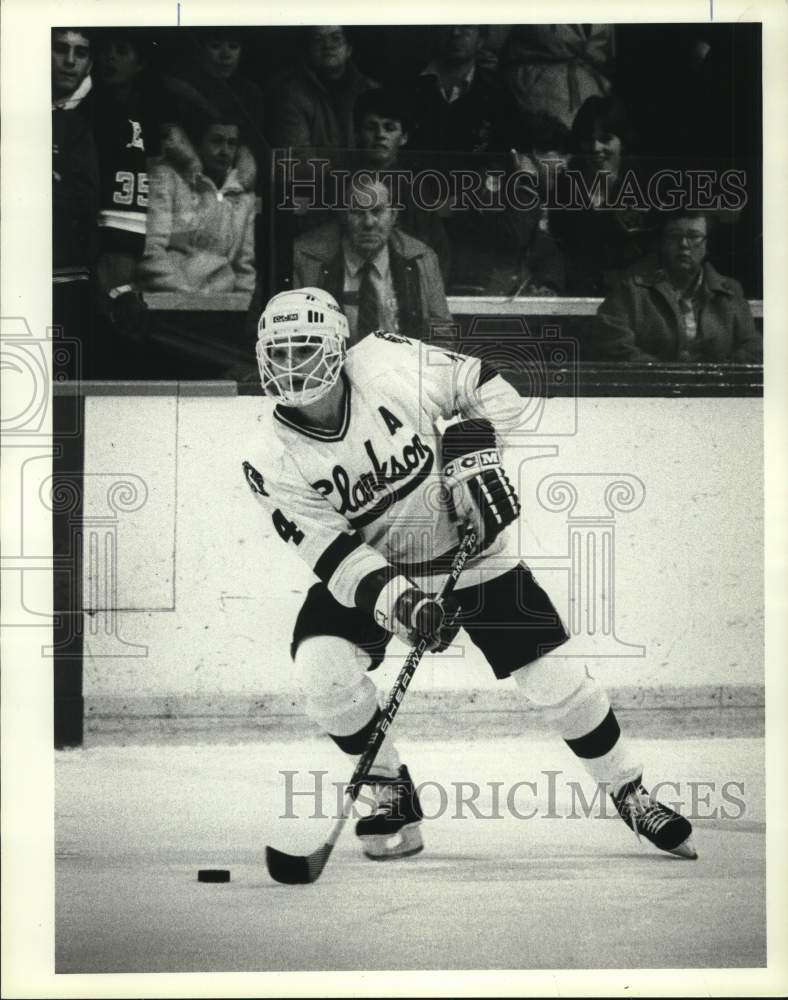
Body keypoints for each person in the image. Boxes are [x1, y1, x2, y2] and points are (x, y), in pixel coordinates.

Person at [243, 284, 698, 864]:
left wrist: (475, 446)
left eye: (304, 348)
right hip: (380, 569)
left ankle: (630, 792)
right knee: (321, 667)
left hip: (473, 552)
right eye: (279, 352)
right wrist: (404, 605)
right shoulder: (268, 456)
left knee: (557, 679)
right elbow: (335, 556)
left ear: (337, 346)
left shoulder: (386, 360)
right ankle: (391, 792)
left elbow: (487, 384)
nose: (291, 364)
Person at [52, 27, 148, 379]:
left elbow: (122, 228)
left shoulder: (112, 121)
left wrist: (117, 289)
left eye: (80, 52)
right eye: (60, 49)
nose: (69, 61)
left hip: (68, 286)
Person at [289, 173, 452, 344]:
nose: (368, 222)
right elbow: (293, 336)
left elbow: (441, 333)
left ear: (393, 215)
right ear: (343, 216)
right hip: (331, 361)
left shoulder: (421, 258)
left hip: (402, 360)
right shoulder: (307, 260)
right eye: (357, 212)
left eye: (377, 211)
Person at [592, 210, 762, 363]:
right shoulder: (631, 289)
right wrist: (664, 375)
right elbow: (614, 343)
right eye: (674, 236)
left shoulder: (729, 291)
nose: (684, 244)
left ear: (707, 245)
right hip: (653, 386)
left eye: (694, 236)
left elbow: (753, 347)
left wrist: (718, 374)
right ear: (662, 243)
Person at [138, 114, 256, 294]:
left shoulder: (242, 194)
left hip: (223, 302)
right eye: (216, 141)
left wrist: (245, 303)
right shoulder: (167, 178)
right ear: (197, 144)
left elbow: (243, 266)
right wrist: (185, 295)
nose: (225, 151)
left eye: (232, 143)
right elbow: (152, 249)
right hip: (167, 298)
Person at [550, 95, 652, 295]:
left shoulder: (644, 183)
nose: (596, 148)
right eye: (588, 140)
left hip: (633, 293)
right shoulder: (565, 183)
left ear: (623, 141)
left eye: (605, 139)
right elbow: (557, 247)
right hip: (576, 292)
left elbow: (653, 252)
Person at [403, 26, 519, 155]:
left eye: (466, 26)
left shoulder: (497, 91)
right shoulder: (407, 83)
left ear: (480, 40)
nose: (455, 32)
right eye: (448, 25)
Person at [265, 26, 378, 150]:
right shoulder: (292, 94)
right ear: (308, 49)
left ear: (349, 49)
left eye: (336, 38)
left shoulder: (370, 90)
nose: (328, 46)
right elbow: (297, 155)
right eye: (318, 39)